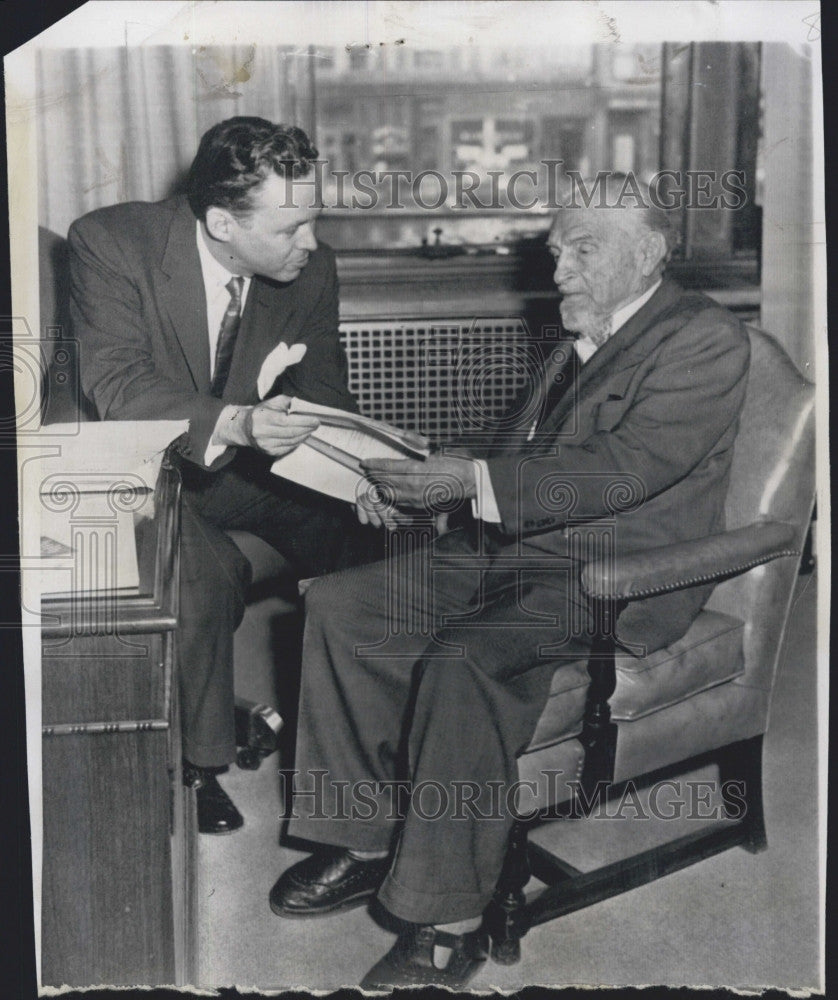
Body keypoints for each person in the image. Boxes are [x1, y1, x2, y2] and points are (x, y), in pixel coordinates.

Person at [268, 177, 751, 989]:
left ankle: (440, 914)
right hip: (522, 546)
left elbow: (625, 471)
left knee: (467, 663)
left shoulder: (705, 340)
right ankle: (363, 836)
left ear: (650, 254)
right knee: (342, 606)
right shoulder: (578, 337)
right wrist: (420, 478)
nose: (560, 268)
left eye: (582, 249)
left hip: (614, 573)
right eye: (558, 249)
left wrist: (467, 484)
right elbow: (522, 456)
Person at [68, 117, 381, 834]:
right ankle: (199, 764)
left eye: (315, 219)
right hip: (142, 471)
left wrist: (370, 472)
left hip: (244, 468)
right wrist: (237, 423)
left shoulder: (312, 268)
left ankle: (364, 750)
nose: (311, 242)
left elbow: (325, 393)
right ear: (221, 222)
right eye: (291, 227)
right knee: (201, 577)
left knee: (380, 535)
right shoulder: (111, 244)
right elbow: (121, 389)